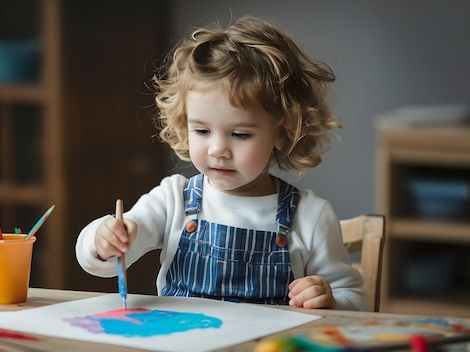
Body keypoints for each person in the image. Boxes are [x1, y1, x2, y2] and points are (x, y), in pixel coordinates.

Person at [76, 16, 367, 311]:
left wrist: (329, 298)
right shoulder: (172, 199)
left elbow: (355, 300)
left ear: (282, 131)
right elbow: (104, 264)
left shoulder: (311, 217)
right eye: (202, 131)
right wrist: (104, 241)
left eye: (240, 134)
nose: (218, 149)